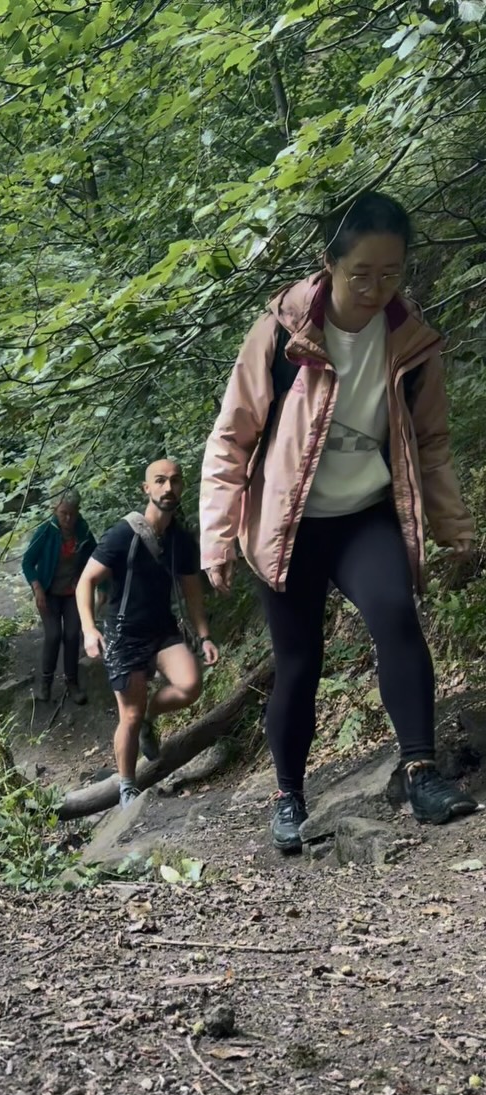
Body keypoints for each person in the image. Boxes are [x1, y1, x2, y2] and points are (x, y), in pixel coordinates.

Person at [200, 191, 478, 852]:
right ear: (328, 265)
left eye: (391, 273)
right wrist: (216, 537)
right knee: (298, 662)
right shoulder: (282, 333)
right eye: (362, 274)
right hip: (287, 526)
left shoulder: (409, 336)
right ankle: (289, 796)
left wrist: (454, 524)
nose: (377, 288)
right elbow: (231, 438)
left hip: (363, 517)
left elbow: (431, 442)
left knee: (396, 617)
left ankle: (420, 772)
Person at [76, 459, 219, 808]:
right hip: (125, 636)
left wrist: (204, 636)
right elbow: (86, 580)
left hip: (162, 630)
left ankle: (150, 718)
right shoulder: (123, 534)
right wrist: (89, 629)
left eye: (174, 481)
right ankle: (127, 786)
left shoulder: (180, 540)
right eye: (160, 481)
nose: (168, 488)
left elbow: (192, 590)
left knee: (190, 686)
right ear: (147, 489)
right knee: (129, 714)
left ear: (181, 487)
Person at [21, 489, 96, 704]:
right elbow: (27, 562)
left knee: (72, 635)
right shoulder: (46, 531)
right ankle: (45, 683)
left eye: (72, 513)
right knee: (53, 635)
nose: (68, 519)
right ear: (55, 510)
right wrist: (37, 588)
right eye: (63, 513)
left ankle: (72, 683)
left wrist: (101, 587)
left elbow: (96, 557)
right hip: (48, 594)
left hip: (73, 593)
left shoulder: (83, 530)